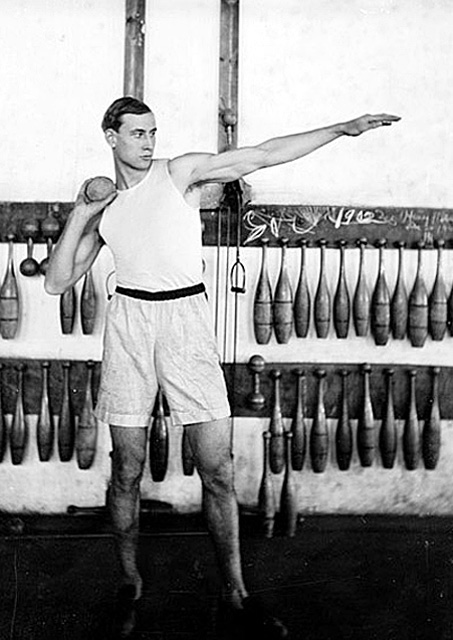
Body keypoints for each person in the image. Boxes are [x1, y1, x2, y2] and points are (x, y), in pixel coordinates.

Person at [45, 97, 400, 638]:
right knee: (126, 469)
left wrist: (343, 129)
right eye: (137, 133)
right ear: (110, 137)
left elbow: (259, 156)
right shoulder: (109, 207)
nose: (148, 141)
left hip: (186, 321)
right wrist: (81, 211)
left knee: (218, 468)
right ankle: (129, 583)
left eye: (152, 132)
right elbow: (56, 280)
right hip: (129, 324)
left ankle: (236, 593)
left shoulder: (179, 173)